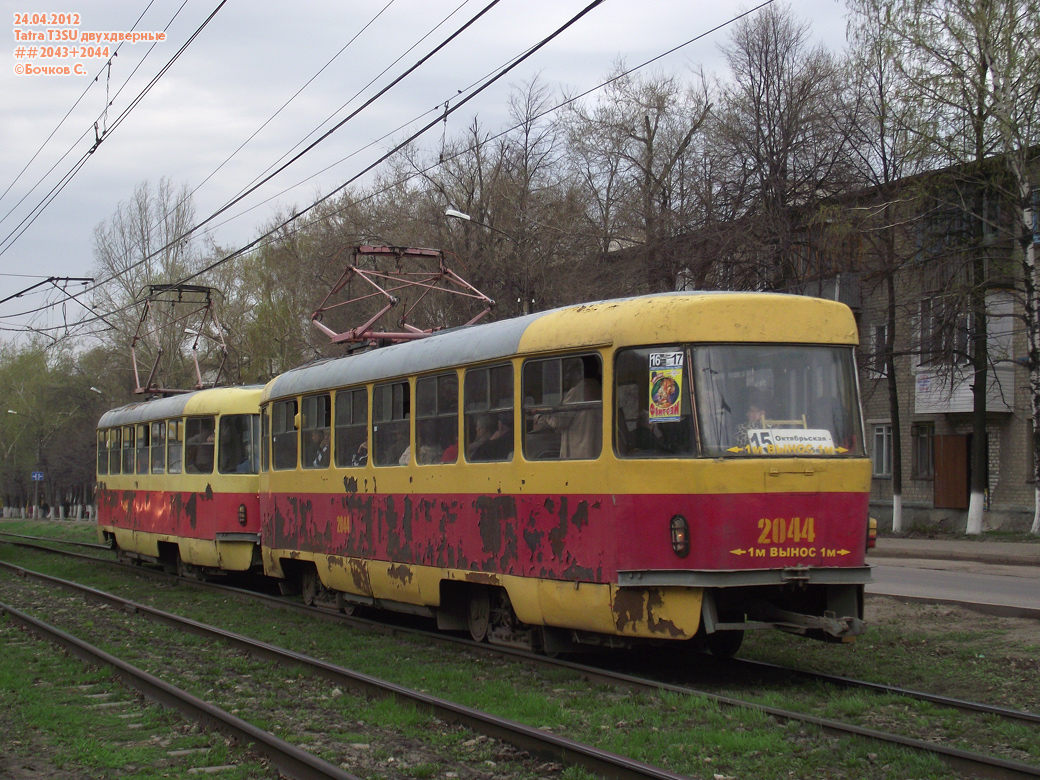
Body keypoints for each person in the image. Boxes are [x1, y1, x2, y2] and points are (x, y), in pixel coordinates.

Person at [535, 360, 601, 459]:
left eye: (569, 372)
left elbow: (559, 421)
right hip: (595, 452)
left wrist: (541, 411)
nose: (566, 377)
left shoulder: (577, 391)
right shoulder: (598, 388)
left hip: (578, 455)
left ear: (579, 372)